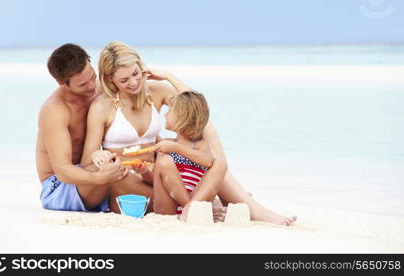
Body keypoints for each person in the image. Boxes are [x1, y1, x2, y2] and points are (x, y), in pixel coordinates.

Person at [84, 41, 297, 225]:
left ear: (142, 67)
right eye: (124, 80)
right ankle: (208, 204)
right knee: (148, 172)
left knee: (217, 161)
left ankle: (249, 208)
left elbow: (196, 109)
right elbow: (89, 159)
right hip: (129, 179)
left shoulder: (154, 91)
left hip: (159, 173)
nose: (133, 83)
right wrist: (98, 155)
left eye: (136, 74)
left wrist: (169, 77)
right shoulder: (102, 106)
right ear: (110, 80)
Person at [36, 43, 129, 212]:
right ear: (61, 83)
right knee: (112, 165)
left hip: (93, 171)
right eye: (82, 85)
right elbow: (63, 170)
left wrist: (163, 77)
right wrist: (99, 178)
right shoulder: (55, 111)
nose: (92, 87)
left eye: (92, 77)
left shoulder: (98, 88)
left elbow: (135, 86)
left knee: (134, 159)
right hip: (60, 186)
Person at [152, 91, 213, 216]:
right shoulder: (167, 143)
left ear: (183, 117)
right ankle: (189, 208)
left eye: (169, 111)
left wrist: (176, 148)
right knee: (163, 161)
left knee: (164, 160)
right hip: (168, 206)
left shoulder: (200, 144)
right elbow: (158, 178)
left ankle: (189, 207)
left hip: (193, 199)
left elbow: (208, 161)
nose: (165, 114)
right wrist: (144, 172)